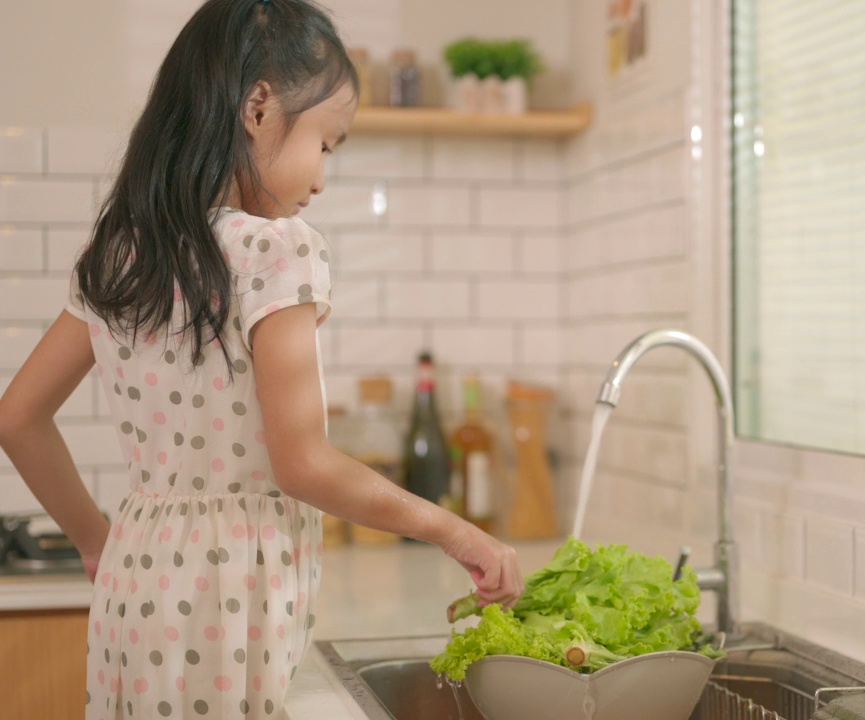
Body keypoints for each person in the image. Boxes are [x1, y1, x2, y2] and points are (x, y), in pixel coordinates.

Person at [0, 1, 524, 717]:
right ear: (258, 106)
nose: (323, 176)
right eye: (328, 143)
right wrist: (454, 529)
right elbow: (303, 463)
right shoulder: (279, 248)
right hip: (228, 592)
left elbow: (18, 418)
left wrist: (98, 541)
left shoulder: (122, 253)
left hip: (134, 582)